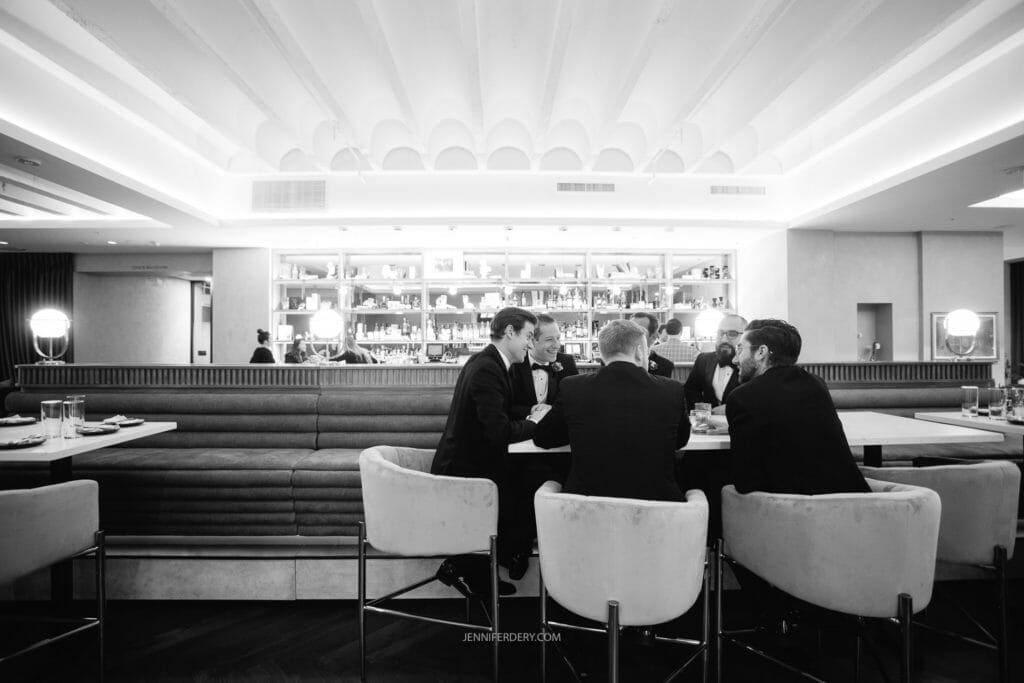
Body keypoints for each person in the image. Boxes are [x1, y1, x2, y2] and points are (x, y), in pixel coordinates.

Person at [431, 307, 550, 596]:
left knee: (527, 480)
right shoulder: (488, 367)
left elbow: (499, 412)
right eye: (528, 336)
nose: (531, 344)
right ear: (510, 332)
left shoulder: (490, 362)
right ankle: (467, 566)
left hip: (473, 463)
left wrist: (527, 412)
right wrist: (534, 422)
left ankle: (481, 565)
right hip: (466, 471)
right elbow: (499, 432)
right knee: (532, 483)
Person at [534, 319, 689, 502]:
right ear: (640, 351)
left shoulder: (573, 388)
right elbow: (680, 440)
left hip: (585, 509)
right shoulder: (671, 390)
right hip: (658, 510)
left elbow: (543, 437)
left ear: (602, 353)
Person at [728, 319, 870, 495]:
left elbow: (745, 480)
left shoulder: (742, 397)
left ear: (761, 352)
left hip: (787, 511)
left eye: (740, 349)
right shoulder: (817, 384)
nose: (735, 359)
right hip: (851, 503)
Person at [510, 314, 578, 419]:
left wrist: (552, 409)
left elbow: (575, 402)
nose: (557, 345)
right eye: (549, 339)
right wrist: (531, 411)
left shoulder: (566, 362)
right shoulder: (514, 364)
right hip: (522, 430)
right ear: (531, 341)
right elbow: (506, 406)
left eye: (558, 338)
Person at [683, 314, 747, 414]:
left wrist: (731, 408)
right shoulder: (703, 360)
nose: (724, 339)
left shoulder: (750, 364)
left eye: (732, 334)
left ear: (746, 337)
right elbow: (691, 390)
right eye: (720, 333)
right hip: (707, 425)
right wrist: (703, 412)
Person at [630, 312, 673, 377]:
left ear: (653, 337)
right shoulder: (616, 362)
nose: (630, 335)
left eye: (638, 331)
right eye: (629, 330)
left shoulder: (663, 366)